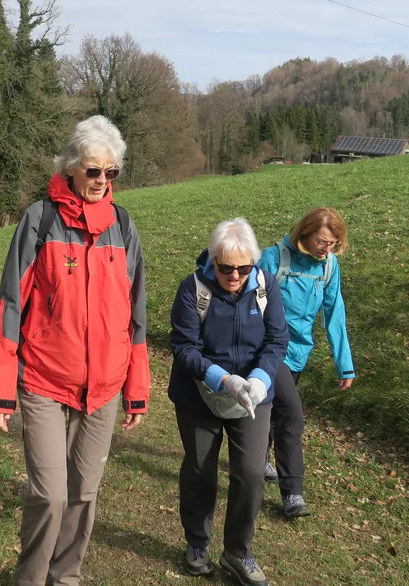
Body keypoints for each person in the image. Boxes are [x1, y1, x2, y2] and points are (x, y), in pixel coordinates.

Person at [0, 115, 150, 586]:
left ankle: (66, 578)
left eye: (111, 172)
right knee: (50, 494)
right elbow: (10, 304)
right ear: (72, 167)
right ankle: (31, 579)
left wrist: (136, 388)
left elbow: (136, 315)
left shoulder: (123, 227)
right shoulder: (40, 220)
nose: (102, 180)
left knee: (83, 494)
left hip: (104, 388)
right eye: (93, 170)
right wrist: (1, 390)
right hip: (44, 380)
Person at [168, 218, 287, 585]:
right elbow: (184, 347)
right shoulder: (192, 289)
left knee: (251, 473)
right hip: (199, 394)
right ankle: (197, 542)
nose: (235, 276)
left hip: (252, 396)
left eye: (243, 268)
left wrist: (259, 379)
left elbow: (277, 340)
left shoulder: (266, 286)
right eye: (226, 268)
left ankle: (237, 552)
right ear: (213, 259)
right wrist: (223, 379)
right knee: (201, 470)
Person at [256, 207, 354, 520]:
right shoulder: (273, 259)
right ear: (305, 234)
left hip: (299, 351)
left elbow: (334, 311)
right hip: (269, 349)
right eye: (321, 242)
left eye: (333, 244)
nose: (327, 249)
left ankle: (258, 457)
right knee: (291, 413)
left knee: (273, 412)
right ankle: (292, 493)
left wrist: (344, 363)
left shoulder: (329, 266)